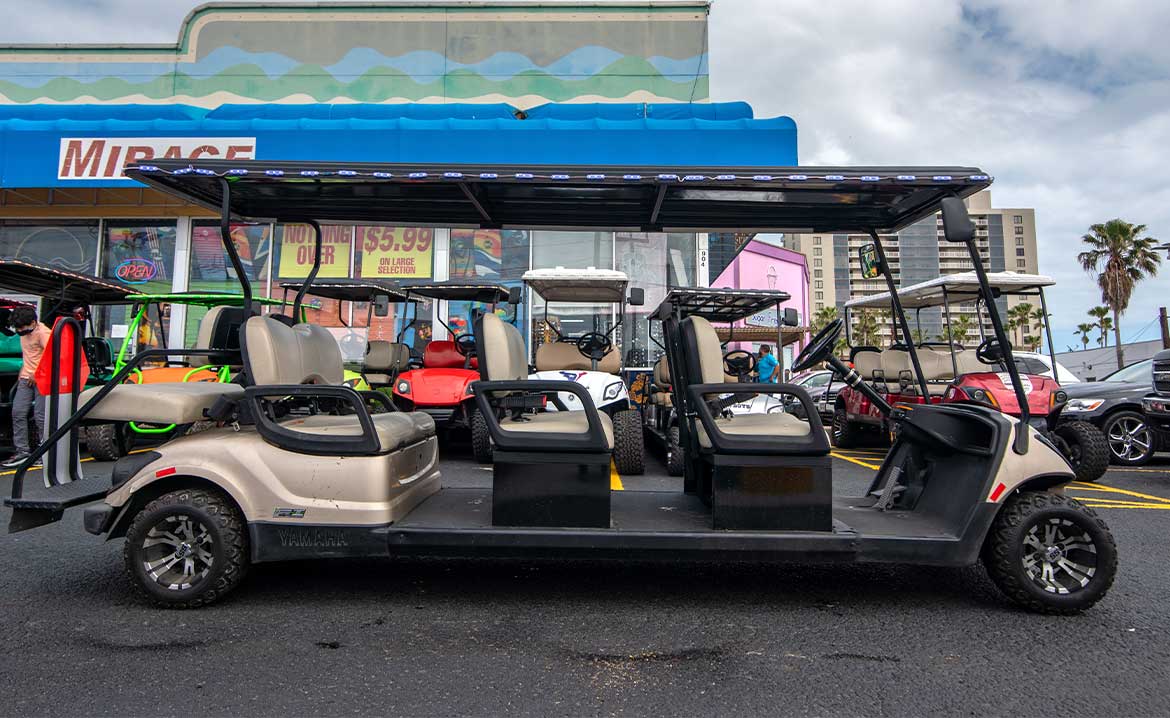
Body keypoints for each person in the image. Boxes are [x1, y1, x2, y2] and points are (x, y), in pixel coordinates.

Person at [3, 307, 50, 468]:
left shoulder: (43, 333)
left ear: (33, 323)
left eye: (22, 328)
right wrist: (23, 373)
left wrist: (37, 374)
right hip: (26, 378)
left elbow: (53, 355)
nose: (20, 331)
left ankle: (46, 453)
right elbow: (30, 355)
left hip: (43, 379)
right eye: (17, 328)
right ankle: (22, 452)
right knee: (18, 413)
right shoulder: (23, 333)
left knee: (41, 416)